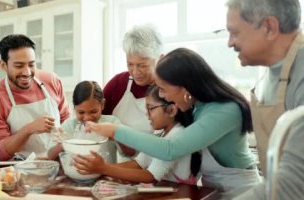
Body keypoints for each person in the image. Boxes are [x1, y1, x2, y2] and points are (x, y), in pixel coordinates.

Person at [84, 48, 261, 197]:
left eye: (163, 89)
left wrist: (115, 130)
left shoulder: (224, 110)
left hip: (242, 193)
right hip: (211, 190)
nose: (162, 96)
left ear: (184, 86)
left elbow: (169, 149)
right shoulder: (195, 107)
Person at [226, 0, 304, 199]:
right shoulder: (270, 76)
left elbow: (291, 184)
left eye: (235, 33)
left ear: (269, 28)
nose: (230, 43)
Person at [74, 85, 201, 184]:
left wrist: (104, 169)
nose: (147, 114)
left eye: (150, 108)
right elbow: (138, 164)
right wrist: (99, 170)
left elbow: (150, 176)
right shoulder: (161, 133)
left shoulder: (176, 136)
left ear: (171, 110)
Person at [0, 34, 70, 161]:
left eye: (31, 64)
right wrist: (29, 129)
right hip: (19, 170)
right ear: (3, 65)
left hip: (58, 163)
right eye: (19, 66)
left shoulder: (51, 81)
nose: (27, 72)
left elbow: (67, 121)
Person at [102, 24, 163, 161]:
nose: (135, 72)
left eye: (142, 65)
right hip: (120, 167)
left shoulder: (169, 90)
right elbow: (96, 118)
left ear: (160, 58)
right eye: (130, 64)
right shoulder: (118, 83)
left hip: (159, 167)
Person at [47, 80, 121, 162]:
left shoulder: (112, 122)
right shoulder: (70, 126)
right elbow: (50, 156)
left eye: (93, 111)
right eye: (81, 112)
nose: (87, 118)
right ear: (74, 107)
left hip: (107, 173)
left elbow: (129, 153)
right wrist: (62, 143)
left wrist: (116, 136)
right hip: (75, 173)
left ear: (102, 104)